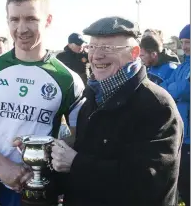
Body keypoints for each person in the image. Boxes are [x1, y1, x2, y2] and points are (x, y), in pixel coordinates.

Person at [0, 0, 84, 206]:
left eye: (31, 19)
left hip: (38, 190)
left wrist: (48, 150)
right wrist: (1, 165)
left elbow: (78, 135)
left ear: (48, 20)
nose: (21, 28)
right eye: (14, 19)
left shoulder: (68, 79)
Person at [50, 16, 183, 206]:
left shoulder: (157, 106)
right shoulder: (92, 100)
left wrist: (76, 163)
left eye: (107, 48)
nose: (96, 56)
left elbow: (148, 181)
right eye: (92, 47)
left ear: (134, 52)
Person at [161, 24, 190, 206]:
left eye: (188, 42)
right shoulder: (183, 66)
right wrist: (176, 89)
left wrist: (176, 89)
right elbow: (164, 88)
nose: (185, 46)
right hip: (181, 134)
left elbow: (186, 89)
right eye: (183, 42)